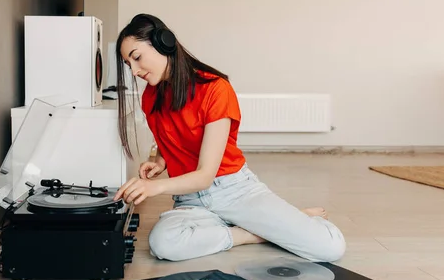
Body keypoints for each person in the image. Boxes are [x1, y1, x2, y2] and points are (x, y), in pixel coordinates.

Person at [113, 14, 346, 263]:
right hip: (190, 199)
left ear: (163, 43)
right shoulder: (151, 96)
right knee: (164, 244)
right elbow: (168, 133)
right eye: (129, 65)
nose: (135, 71)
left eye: (137, 58)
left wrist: (153, 187)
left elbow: (205, 175)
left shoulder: (215, 89)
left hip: (234, 190)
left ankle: (281, 222)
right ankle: (252, 233)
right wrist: (160, 162)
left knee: (330, 247)